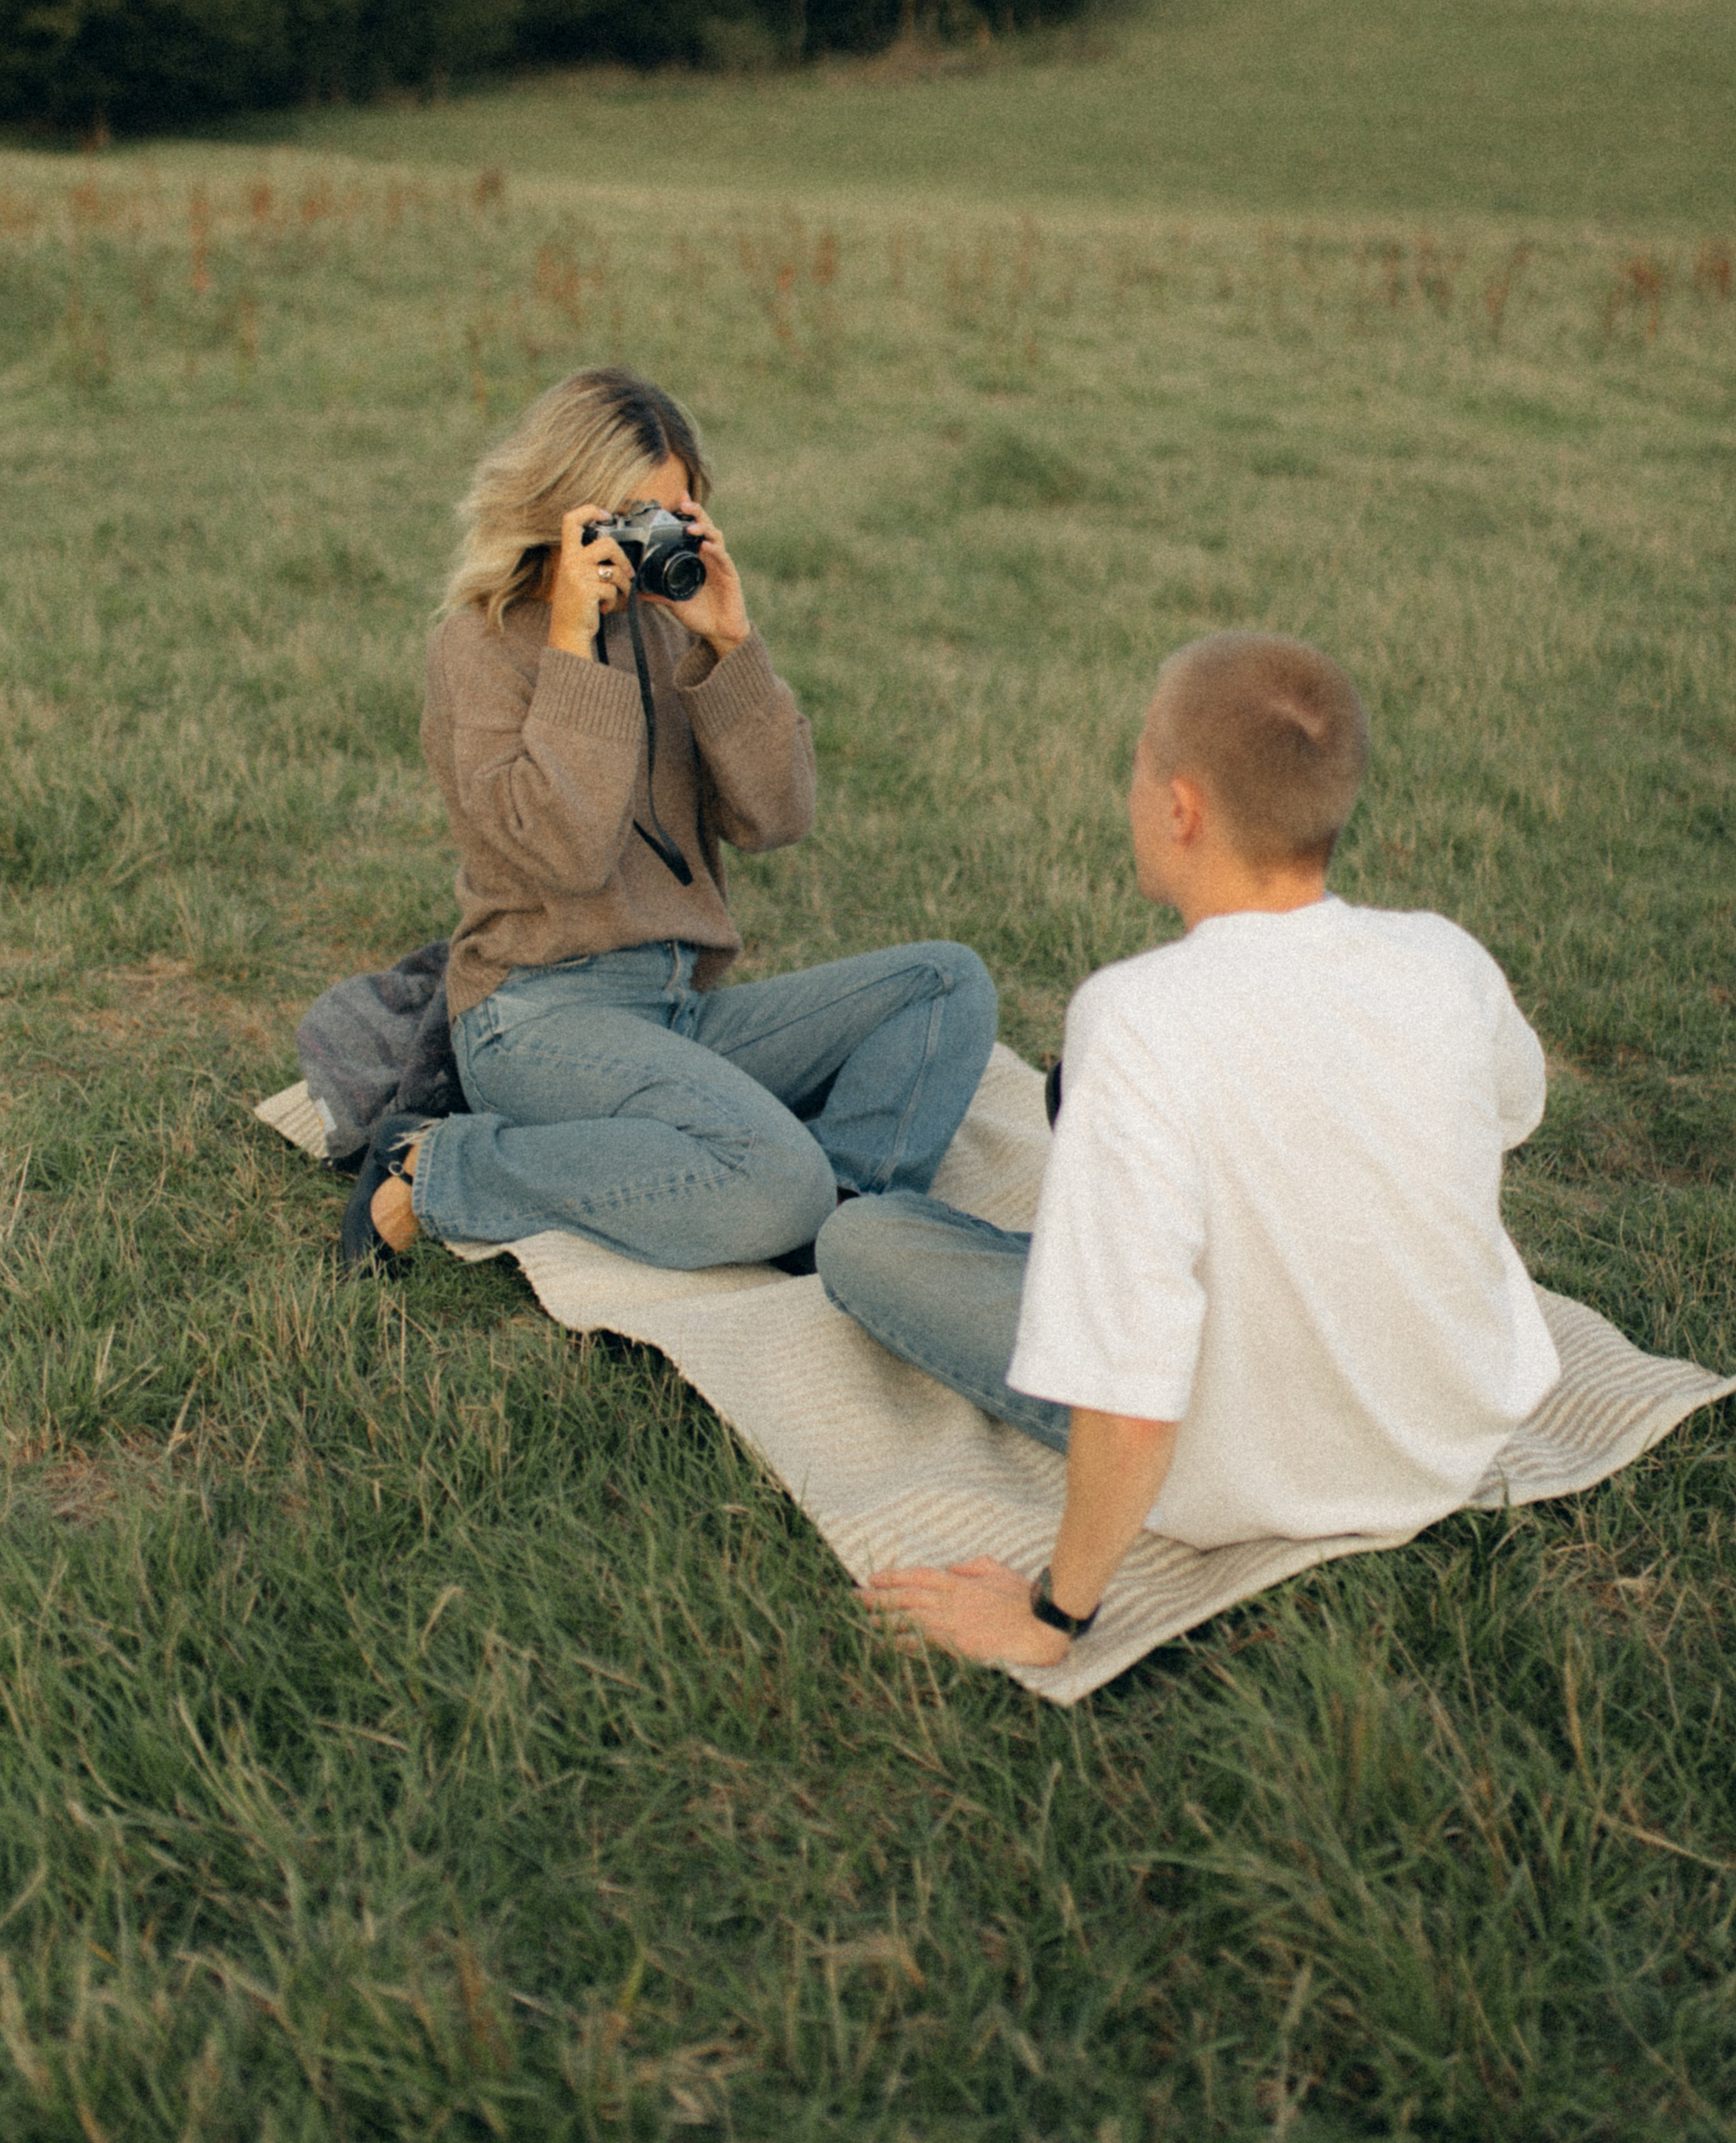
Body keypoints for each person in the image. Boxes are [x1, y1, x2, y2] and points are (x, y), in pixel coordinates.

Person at [816, 631, 1560, 1670]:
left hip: (1245, 1469)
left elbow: (1128, 1388)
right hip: (1447, 1438)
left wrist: (1052, 1617)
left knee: (867, 1238)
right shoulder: (1447, 956)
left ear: (1181, 807)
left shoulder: (1135, 1019)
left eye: (1135, 761)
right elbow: (1508, 1113)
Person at [342, 367, 995, 1274]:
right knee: (774, 1177)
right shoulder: (479, 645)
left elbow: (778, 818)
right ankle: (440, 1168)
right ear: (563, 514)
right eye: (631, 518)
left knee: (944, 983)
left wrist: (730, 645)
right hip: (534, 1018)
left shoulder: (671, 628)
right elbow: (566, 857)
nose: (654, 542)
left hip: (681, 1009)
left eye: (676, 513)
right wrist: (574, 648)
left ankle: (839, 1215)